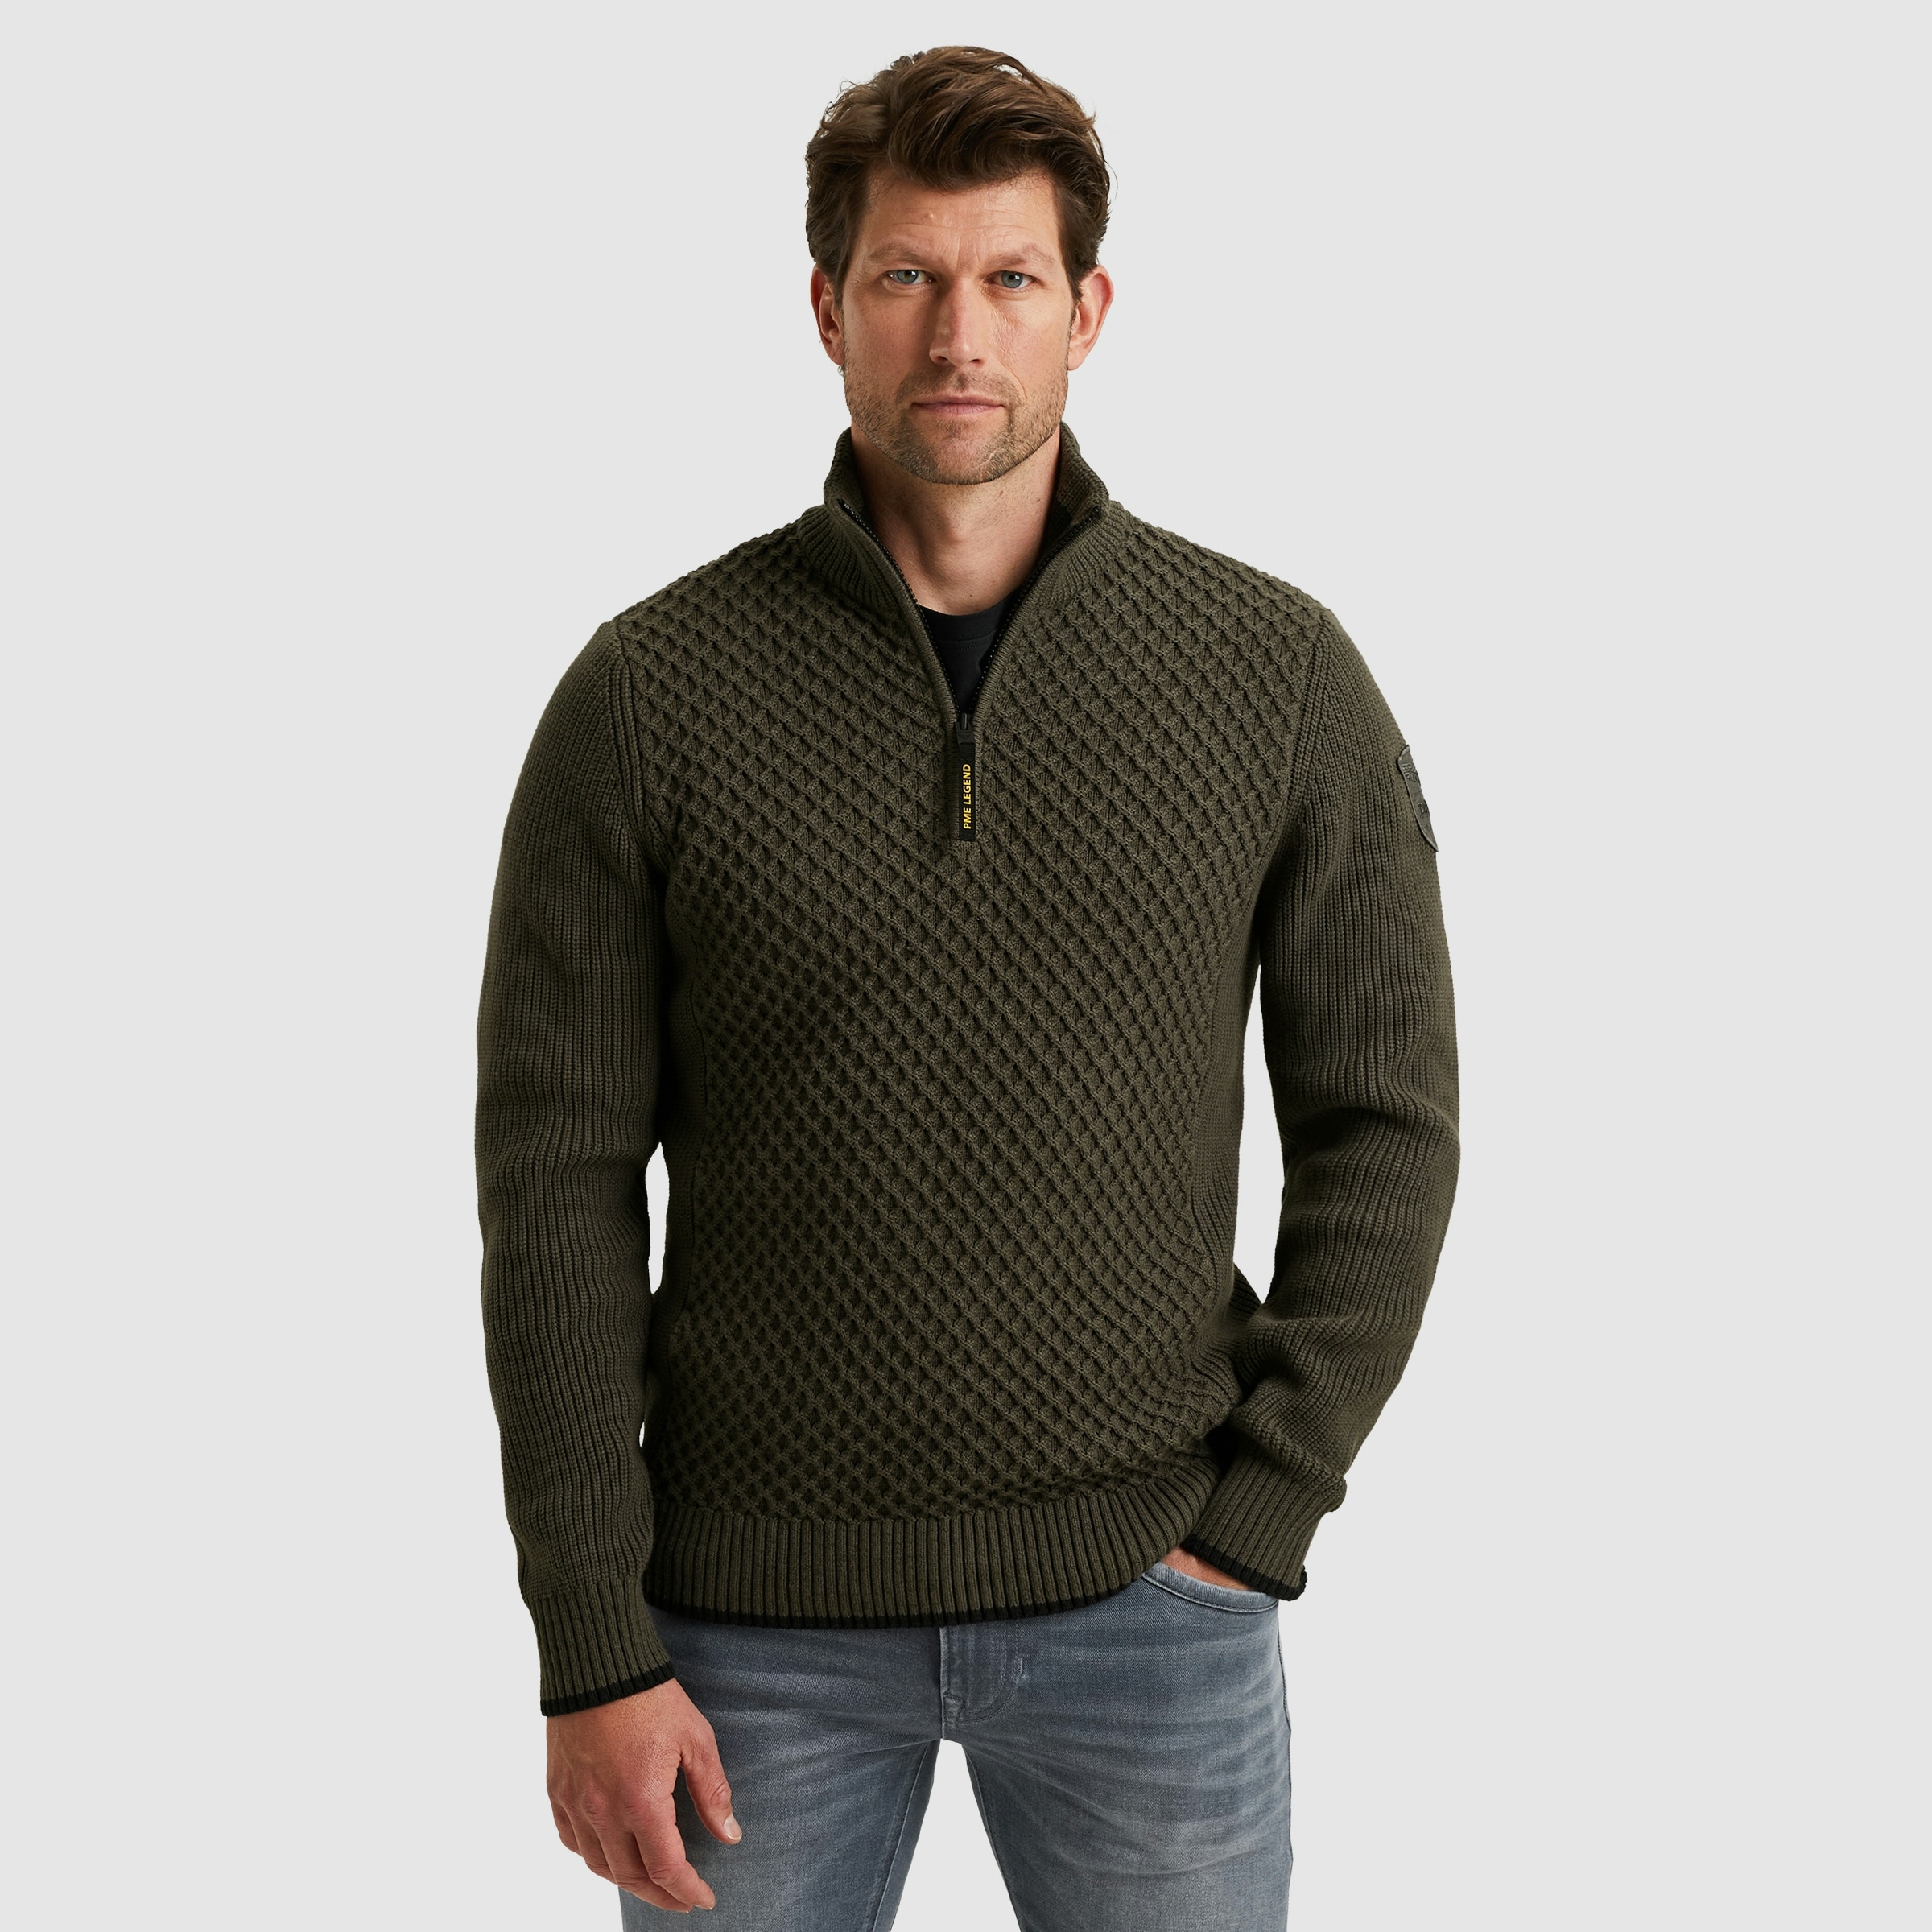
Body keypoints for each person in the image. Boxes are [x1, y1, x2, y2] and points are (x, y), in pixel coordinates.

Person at [476, 43, 1459, 1929]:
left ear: (1087, 312)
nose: (958, 331)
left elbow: (1386, 1124)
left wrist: (1261, 1513)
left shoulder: (1274, 675)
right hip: (740, 1634)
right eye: (907, 276)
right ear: (827, 308)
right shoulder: (648, 697)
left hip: (1149, 1604)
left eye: (1010, 277)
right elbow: (555, 1185)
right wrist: (590, 1641)